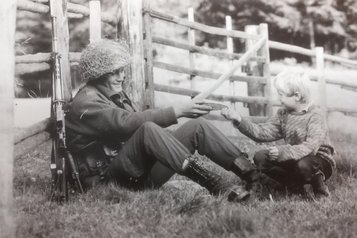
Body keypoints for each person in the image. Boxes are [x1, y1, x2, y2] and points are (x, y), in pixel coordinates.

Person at [65, 39, 271, 202]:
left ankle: (254, 177)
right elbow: (126, 123)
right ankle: (216, 185)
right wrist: (177, 111)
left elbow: (133, 126)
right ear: (98, 74)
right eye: (114, 72)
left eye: (122, 70)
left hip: (135, 173)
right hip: (108, 182)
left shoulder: (113, 93)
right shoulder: (86, 102)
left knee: (196, 127)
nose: (121, 77)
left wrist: (172, 134)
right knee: (148, 130)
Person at [221, 71, 335, 198]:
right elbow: (262, 133)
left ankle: (320, 190)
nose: (278, 99)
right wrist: (239, 120)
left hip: (319, 161)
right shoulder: (283, 114)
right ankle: (295, 187)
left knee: (303, 165)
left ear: (296, 96)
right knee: (261, 157)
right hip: (295, 157)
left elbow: (310, 148)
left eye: (281, 95)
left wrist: (283, 152)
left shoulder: (315, 115)